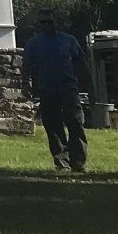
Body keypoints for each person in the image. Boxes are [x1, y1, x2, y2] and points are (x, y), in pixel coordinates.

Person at [22, 9, 89, 173]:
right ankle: (62, 162)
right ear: (39, 24)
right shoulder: (34, 43)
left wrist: (89, 87)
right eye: (43, 22)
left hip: (68, 88)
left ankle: (78, 162)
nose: (46, 25)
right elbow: (27, 66)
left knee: (76, 123)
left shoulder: (69, 40)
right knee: (53, 126)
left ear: (55, 22)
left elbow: (81, 64)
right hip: (47, 89)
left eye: (49, 22)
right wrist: (26, 84)